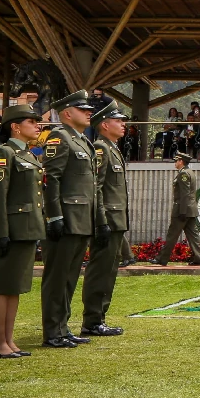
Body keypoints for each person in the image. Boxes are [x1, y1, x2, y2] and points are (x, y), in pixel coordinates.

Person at [0, 104, 46, 358]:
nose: (38, 125)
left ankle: (8, 340)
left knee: (14, 287)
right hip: (8, 230)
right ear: (16, 127)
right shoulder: (2, 153)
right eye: (32, 121)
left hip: (26, 229)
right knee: (0, 286)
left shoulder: (28, 155)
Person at [38, 90, 98, 348]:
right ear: (66, 113)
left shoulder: (82, 141)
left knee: (70, 276)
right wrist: (54, 216)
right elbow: (51, 179)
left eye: (88, 109)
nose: (88, 112)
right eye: (81, 109)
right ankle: (53, 331)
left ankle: (63, 328)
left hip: (82, 218)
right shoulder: (59, 138)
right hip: (66, 217)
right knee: (57, 277)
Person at [81, 100, 131, 338]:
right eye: (118, 120)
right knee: (100, 270)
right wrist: (100, 220)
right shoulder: (101, 149)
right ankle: (92, 320)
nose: (123, 124)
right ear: (104, 124)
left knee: (109, 271)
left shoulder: (112, 148)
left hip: (116, 220)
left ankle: (99, 318)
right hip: (108, 220)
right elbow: (96, 188)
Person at [151, 153, 200, 266]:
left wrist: (182, 211)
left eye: (176, 161)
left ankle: (162, 259)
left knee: (172, 235)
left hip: (183, 209)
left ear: (181, 161)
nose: (175, 163)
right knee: (193, 236)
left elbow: (185, 194)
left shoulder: (183, 174)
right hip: (190, 210)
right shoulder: (189, 172)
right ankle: (199, 258)